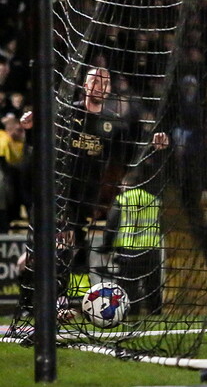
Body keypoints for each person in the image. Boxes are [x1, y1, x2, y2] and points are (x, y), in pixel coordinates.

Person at [20, 68, 168, 278]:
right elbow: (41, 144)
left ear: (108, 90)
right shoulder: (67, 114)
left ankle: (61, 294)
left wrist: (153, 144)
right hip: (60, 193)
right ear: (85, 85)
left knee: (77, 251)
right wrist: (29, 128)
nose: (100, 86)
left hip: (88, 197)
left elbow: (129, 152)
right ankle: (54, 301)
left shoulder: (114, 123)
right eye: (95, 81)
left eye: (105, 83)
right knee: (66, 246)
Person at [101, 170, 163, 316]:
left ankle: (131, 314)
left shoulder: (123, 199)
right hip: (152, 249)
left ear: (127, 184)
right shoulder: (154, 200)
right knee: (153, 288)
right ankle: (156, 314)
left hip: (129, 250)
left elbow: (111, 224)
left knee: (129, 287)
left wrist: (107, 247)